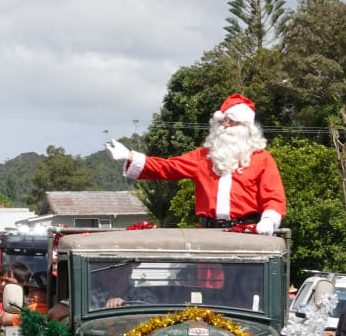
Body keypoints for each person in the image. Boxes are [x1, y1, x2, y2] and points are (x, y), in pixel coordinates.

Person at [105, 94, 286, 235]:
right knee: (210, 282)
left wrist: (268, 220)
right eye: (223, 121)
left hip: (247, 233)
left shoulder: (262, 159)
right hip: (209, 234)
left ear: (246, 127)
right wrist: (129, 156)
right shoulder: (203, 157)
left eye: (231, 121)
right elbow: (168, 168)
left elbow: (274, 197)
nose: (225, 126)